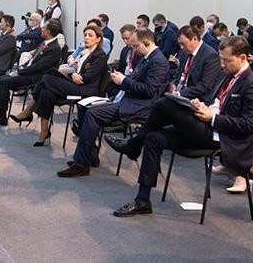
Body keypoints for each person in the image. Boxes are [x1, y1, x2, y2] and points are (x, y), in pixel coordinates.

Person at [107, 36, 253, 216]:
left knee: (164, 104)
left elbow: (250, 125)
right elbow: (219, 103)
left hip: (223, 138)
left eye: (226, 60)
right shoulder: (228, 75)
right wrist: (203, 106)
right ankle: (142, 200)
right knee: (153, 138)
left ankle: (134, 145)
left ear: (243, 58)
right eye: (221, 59)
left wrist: (213, 118)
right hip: (208, 126)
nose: (222, 65)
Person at [57, 28, 169, 177]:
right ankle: (90, 155)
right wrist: (122, 79)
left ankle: (81, 164)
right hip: (126, 99)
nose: (134, 50)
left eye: (136, 46)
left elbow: (149, 91)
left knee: (92, 114)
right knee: (84, 106)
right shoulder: (147, 57)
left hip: (138, 106)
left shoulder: (158, 62)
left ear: (147, 43)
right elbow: (136, 80)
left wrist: (123, 81)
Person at [11, 25, 108, 146]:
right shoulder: (86, 52)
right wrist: (74, 69)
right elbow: (77, 69)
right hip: (76, 84)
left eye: (90, 35)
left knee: (46, 77)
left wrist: (73, 73)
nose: (86, 38)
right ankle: (44, 131)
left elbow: (87, 77)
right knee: (46, 92)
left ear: (98, 39)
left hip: (84, 90)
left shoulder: (100, 55)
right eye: (85, 35)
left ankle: (28, 111)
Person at [0, 22, 62, 124]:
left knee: (4, 82)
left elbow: (39, 66)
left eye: (43, 28)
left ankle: (2, 117)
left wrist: (22, 71)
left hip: (36, 77)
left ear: (48, 32)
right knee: (1, 80)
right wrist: (23, 66)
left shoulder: (54, 48)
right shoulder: (44, 43)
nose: (41, 29)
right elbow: (33, 60)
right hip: (29, 72)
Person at [169, 26, 222, 104]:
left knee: (161, 105)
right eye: (180, 44)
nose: (181, 47)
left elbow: (205, 86)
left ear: (194, 39)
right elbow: (177, 75)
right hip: (180, 93)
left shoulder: (210, 56)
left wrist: (179, 94)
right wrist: (172, 85)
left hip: (196, 100)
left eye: (183, 43)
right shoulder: (185, 52)